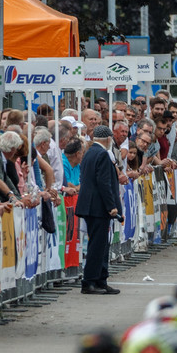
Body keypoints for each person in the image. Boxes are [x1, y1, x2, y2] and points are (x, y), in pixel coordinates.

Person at [75, 126, 121, 296]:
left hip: (92, 206)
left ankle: (101, 279)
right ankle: (90, 281)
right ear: (108, 138)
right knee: (97, 246)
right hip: (97, 207)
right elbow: (104, 182)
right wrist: (111, 206)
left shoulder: (90, 153)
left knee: (101, 245)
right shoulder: (101, 154)